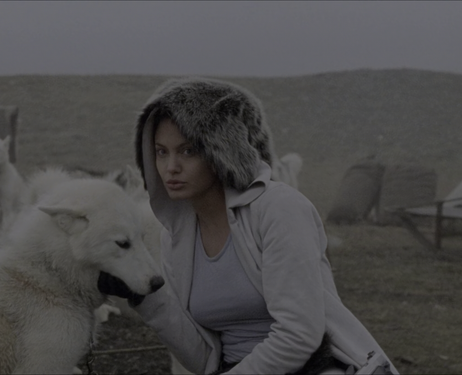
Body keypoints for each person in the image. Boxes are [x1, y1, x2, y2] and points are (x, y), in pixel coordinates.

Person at [99, 77, 397, 375]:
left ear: (221, 151)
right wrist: (147, 299)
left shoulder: (278, 208)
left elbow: (299, 335)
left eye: (188, 150)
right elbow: (206, 359)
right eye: (161, 151)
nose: (170, 167)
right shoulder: (176, 236)